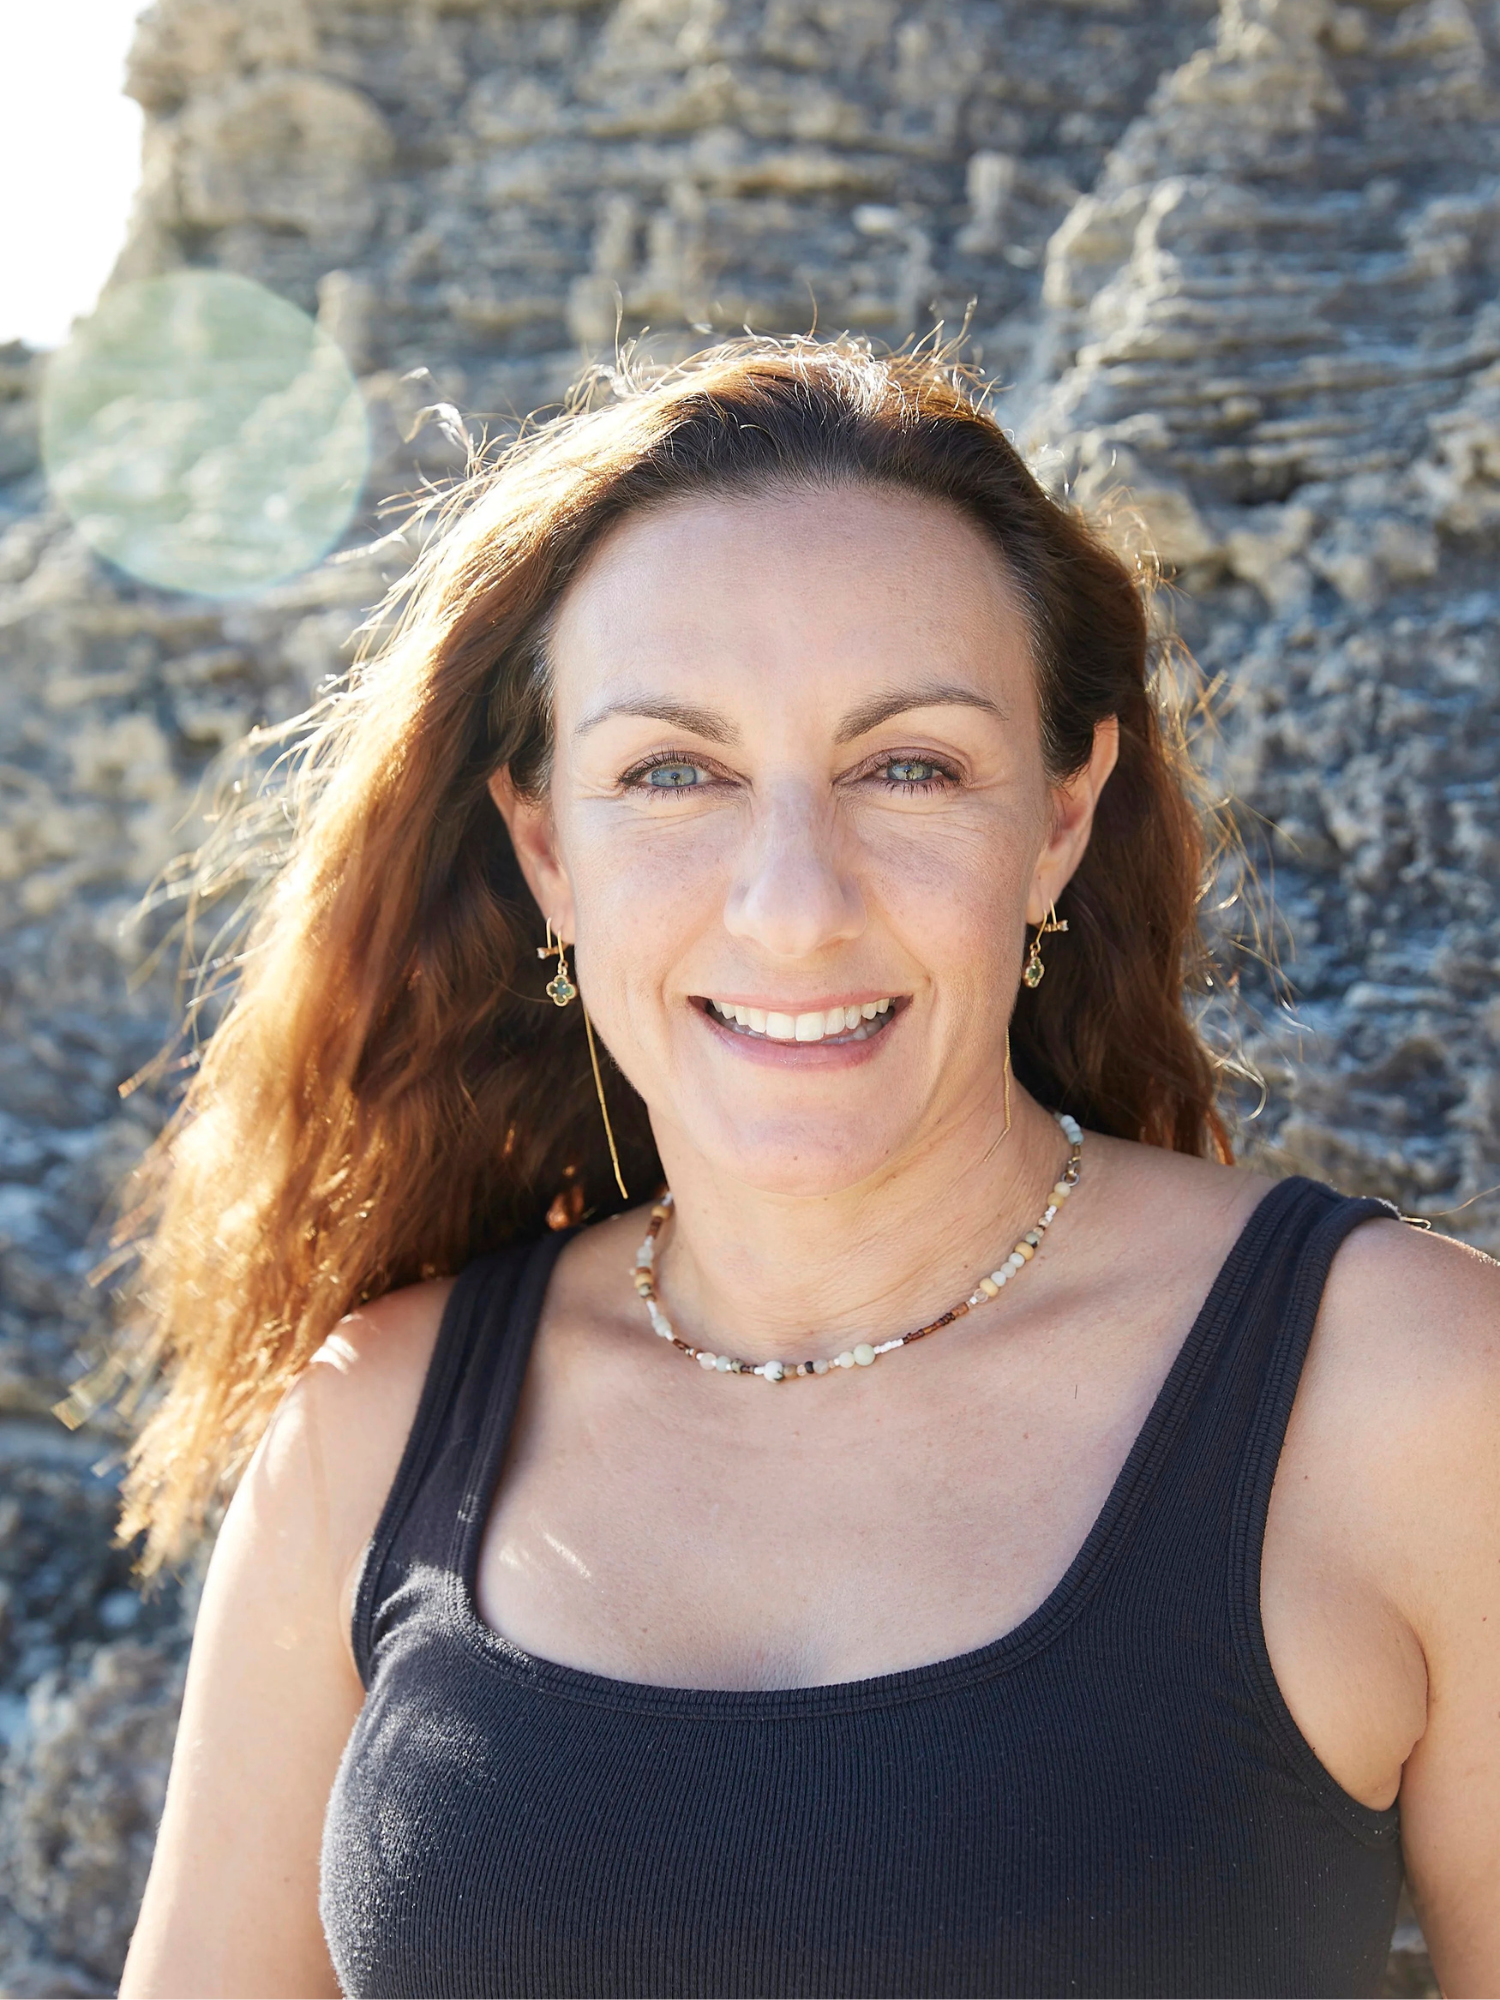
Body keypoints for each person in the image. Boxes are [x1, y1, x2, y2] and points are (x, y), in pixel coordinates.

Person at [116, 339, 1498, 2000]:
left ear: (1061, 819)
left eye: (909, 767)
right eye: (671, 773)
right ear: (546, 847)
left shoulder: (1414, 1397)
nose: (793, 905)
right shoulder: (370, 1425)